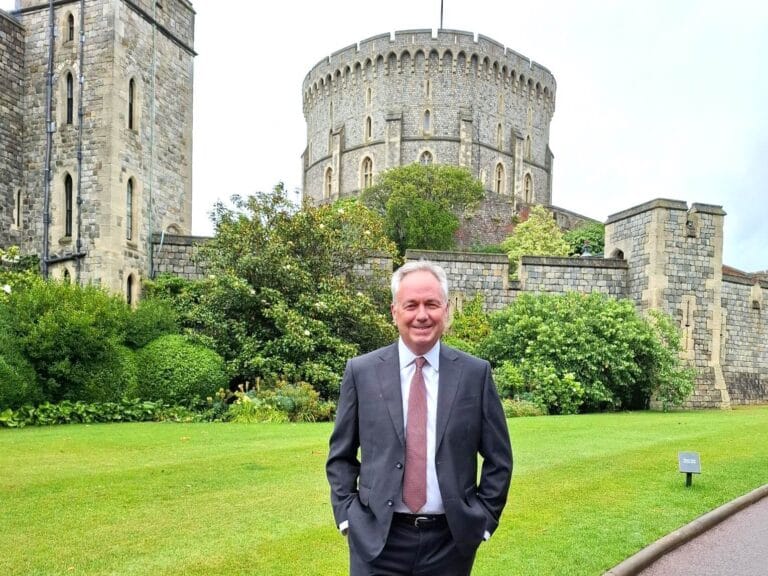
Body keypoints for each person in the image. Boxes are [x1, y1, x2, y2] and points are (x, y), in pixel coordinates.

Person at [326, 260, 513, 576]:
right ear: (395, 312)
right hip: (376, 541)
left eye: (432, 304)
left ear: (446, 310)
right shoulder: (361, 372)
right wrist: (348, 518)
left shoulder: (474, 374)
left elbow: (499, 459)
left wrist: (483, 520)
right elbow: (341, 457)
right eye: (411, 305)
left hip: (449, 544)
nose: (422, 315)